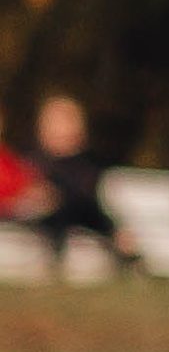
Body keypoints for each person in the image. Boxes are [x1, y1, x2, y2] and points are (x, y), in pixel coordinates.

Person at [28, 95, 112, 257]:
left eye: (67, 121)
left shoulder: (88, 170)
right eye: (55, 121)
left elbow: (92, 212)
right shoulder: (30, 166)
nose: (62, 128)